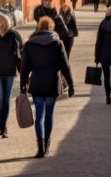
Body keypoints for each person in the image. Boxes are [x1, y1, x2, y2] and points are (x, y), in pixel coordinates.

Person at [21, 17, 74, 158]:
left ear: (39, 27)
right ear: (52, 28)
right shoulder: (57, 44)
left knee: (39, 115)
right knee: (49, 115)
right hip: (52, 83)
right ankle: (47, 145)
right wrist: (70, 83)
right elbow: (65, 66)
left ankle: (40, 147)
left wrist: (23, 85)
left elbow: (25, 68)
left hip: (37, 83)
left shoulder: (30, 44)